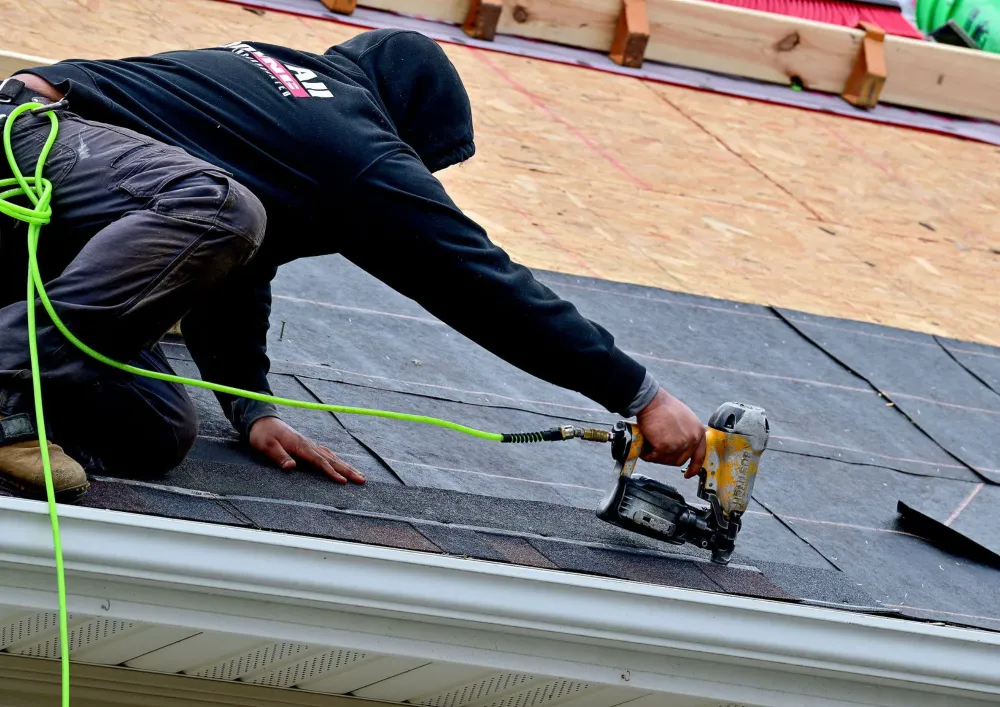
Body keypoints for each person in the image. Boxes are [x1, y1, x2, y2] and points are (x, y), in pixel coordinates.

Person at [0, 29, 706, 501]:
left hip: (57, 224)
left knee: (155, 431)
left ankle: (18, 378)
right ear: (405, 130)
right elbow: (477, 280)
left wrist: (249, 407)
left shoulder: (280, 102)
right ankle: (5, 391)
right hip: (29, 146)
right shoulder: (352, 140)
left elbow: (236, 271)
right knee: (218, 209)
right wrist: (640, 394)